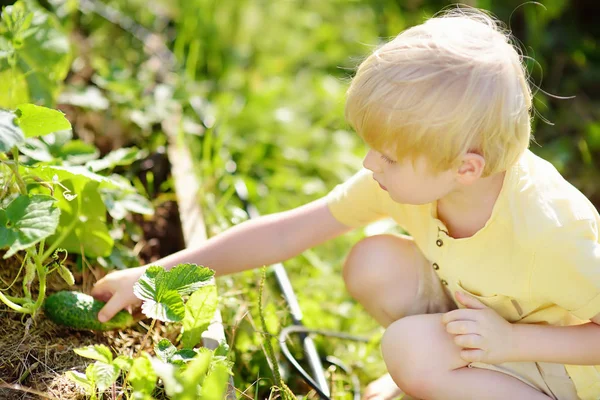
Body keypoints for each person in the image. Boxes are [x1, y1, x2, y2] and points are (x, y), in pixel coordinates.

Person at [91, 6, 600, 400]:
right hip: (489, 329)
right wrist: (157, 278)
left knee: (408, 351)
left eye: (390, 158)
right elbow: (288, 232)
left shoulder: (551, 232)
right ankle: (456, 378)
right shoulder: (413, 184)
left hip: (567, 374)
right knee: (373, 261)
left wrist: (511, 345)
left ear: (464, 168)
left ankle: (455, 377)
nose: (368, 165)